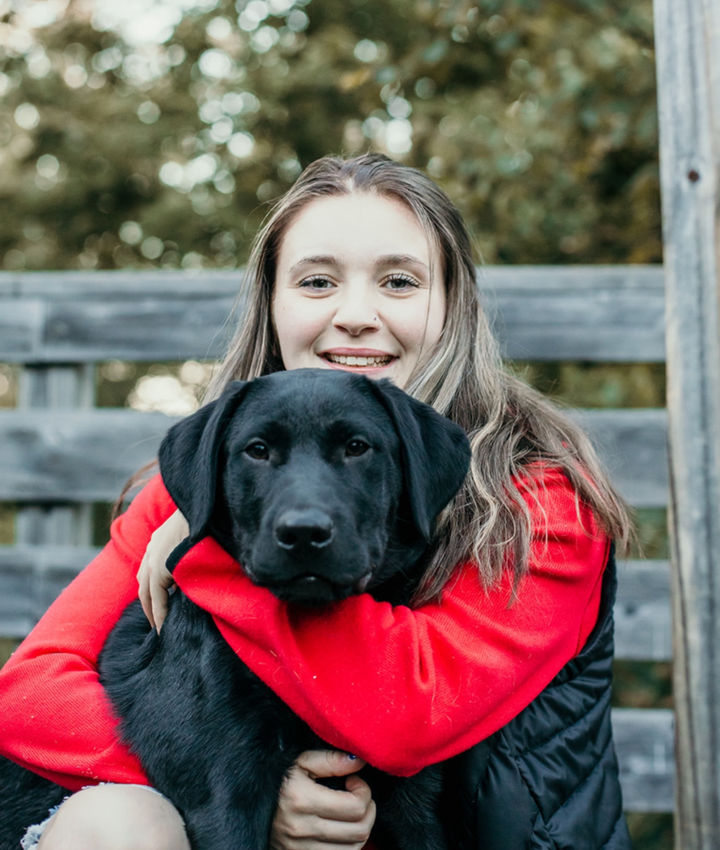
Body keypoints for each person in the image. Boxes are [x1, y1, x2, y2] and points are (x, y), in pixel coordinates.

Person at [0, 153, 632, 850]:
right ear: (273, 304)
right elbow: (28, 696)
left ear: (454, 304)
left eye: (398, 281)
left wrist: (209, 553)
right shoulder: (209, 477)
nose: (355, 315)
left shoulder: (536, 507)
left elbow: (410, 712)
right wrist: (239, 788)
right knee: (117, 824)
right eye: (318, 281)